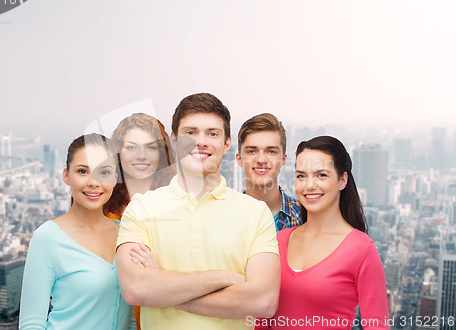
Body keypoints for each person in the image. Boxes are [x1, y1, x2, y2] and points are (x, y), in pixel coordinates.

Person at [116, 93, 280, 330]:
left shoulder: (256, 213)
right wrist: (223, 279)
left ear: (226, 144)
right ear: (174, 141)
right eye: (190, 133)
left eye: (212, 133)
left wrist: (164, 290)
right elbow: (136, 289)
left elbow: (263, 302)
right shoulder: (142, 208)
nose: (200, 141)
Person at [255, 136, 389, 329]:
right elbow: (261, 320)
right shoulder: (277, 240)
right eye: (301, 176)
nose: (309, 185)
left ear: (342, 180)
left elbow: (377, 325)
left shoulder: (362, 250)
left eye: (321, 175)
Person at [19, 133, 136, 330]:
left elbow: (130, 317)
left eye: (104, 173)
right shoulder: (47, 238)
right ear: (66, 175)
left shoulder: (124, 234)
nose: (93, 182)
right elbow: (31, 324)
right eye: (83, 171)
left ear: (115, 179)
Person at [103, 113, 175, 329]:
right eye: (132, 147)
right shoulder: (103, 209)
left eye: (151, 147)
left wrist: (158, 275)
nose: (141, 156)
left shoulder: (178, 206)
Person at [236, 113, 300, 231]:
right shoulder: (225, 216)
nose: (261, 160)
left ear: (283, 159)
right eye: (252, 151)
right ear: (239, 159)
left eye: (271, 151)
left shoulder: (305, 216)